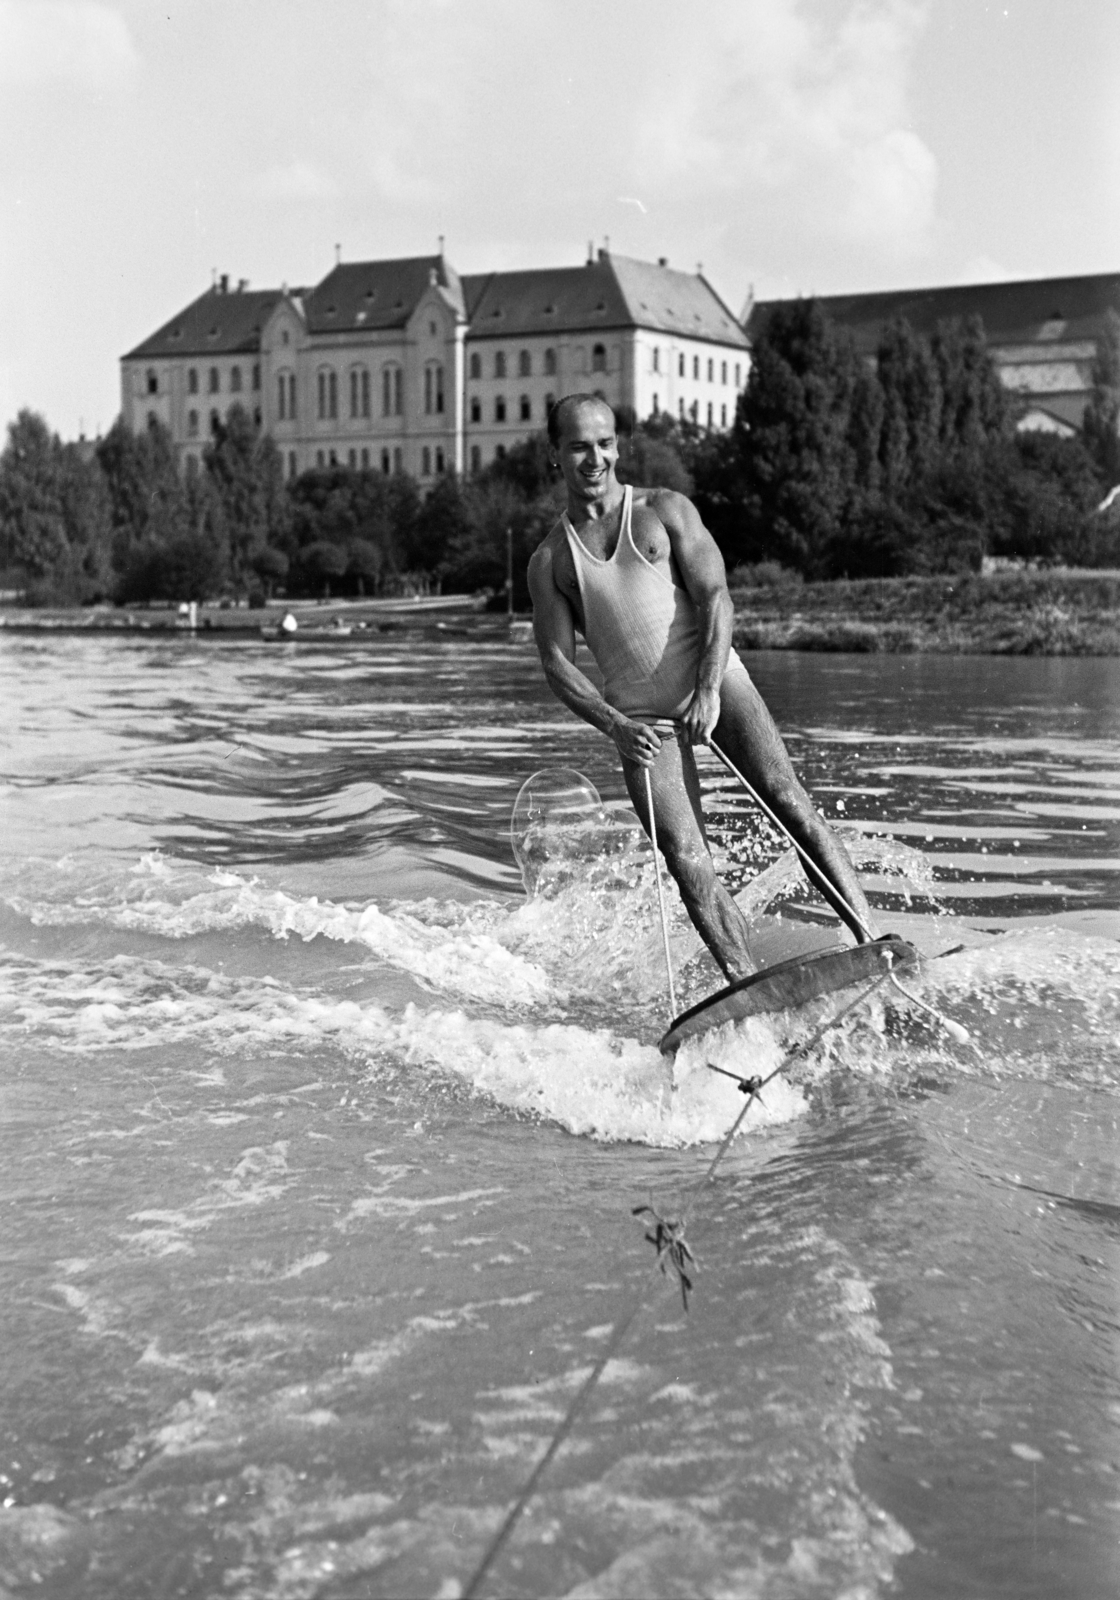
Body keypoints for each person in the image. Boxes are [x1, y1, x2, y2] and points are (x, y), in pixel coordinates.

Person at [527, 393, 882, 982]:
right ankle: (747, 988)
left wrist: (710, 687)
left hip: (714, 681)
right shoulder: (549, 561)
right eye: (580, 446)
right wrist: (615, 724)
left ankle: (869, 939)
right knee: (688, 858)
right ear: (555, 455)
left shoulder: (664, 510)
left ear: (619, 445)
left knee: (787, 799)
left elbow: (716, 597)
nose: (597, 458)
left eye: (606, 442)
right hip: (641, 722)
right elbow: (556, 664)